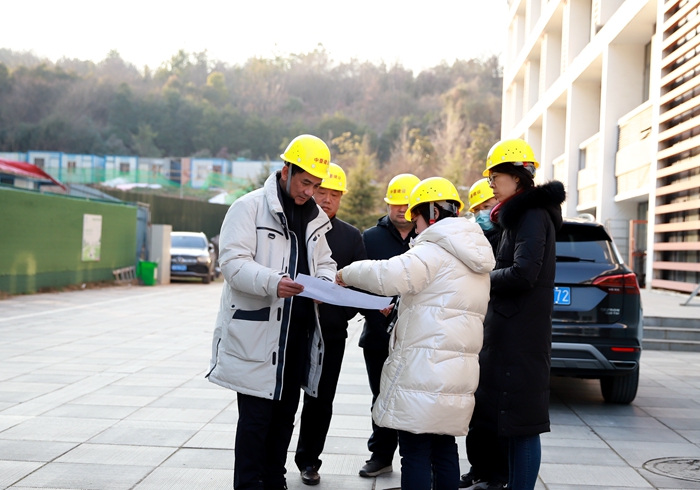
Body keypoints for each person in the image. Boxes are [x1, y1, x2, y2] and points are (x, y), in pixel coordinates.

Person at [336, 177, 495, 490]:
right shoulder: (475, 257)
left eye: (417, 219)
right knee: (444, 448)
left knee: (415, 449)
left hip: (426, 371)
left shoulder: (434, 250)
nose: (416, 228)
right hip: (456, 375)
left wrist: (345, 272)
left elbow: (388, 274)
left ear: (432, 213)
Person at [207, 134, 337, 490]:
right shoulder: (247, 208)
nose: (310, 192)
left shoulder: (315, 219)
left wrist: (323, 284)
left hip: (297, 335)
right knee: (255, 423)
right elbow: (232, 263)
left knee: (284, 420)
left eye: (316, 185)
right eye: (305, 182)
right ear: (286, 171)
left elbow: (325, 261)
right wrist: (273, 282)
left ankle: (275, 482)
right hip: (258, 337)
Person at [472, 139, 565, 490]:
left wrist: (482, 279)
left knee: (523, 426)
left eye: (496, 175)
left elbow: (524, 272)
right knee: (510, 424)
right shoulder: (515, 216)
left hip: (522, 336)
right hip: (511, 332)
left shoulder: (531, 214)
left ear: (517, 176)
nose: (492, 182)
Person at [295, 163, 367, 486]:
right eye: (321, 192)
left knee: (321, 400)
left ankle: (309, 461)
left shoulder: (353, 238)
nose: (325, 200)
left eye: (333, 195)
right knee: (283, 398)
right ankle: (273, 462)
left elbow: (357, 291)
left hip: (332, 333)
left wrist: (337, 312)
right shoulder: (297, 225)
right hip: (293, 328)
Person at [357, 173, 420, 477]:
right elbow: (359, 285)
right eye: (396, 204)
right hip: (378, 335)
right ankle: (380, 455)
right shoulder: (370, 238)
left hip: (416, 335)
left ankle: (416, 459)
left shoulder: (428, 240)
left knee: (413, 395)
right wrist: (374, 312)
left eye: (407, 205)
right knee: (381, 395)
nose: (401, 210)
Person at [460, 177, 507, 490]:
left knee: (495, 407)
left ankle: (497, 472)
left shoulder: (507, 236)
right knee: (474, 407)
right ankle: (478, 468)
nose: (485, 213)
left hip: (499, 330)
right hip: (473, 328)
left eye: (489, 207)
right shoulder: (467, 240)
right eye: (479, 208)